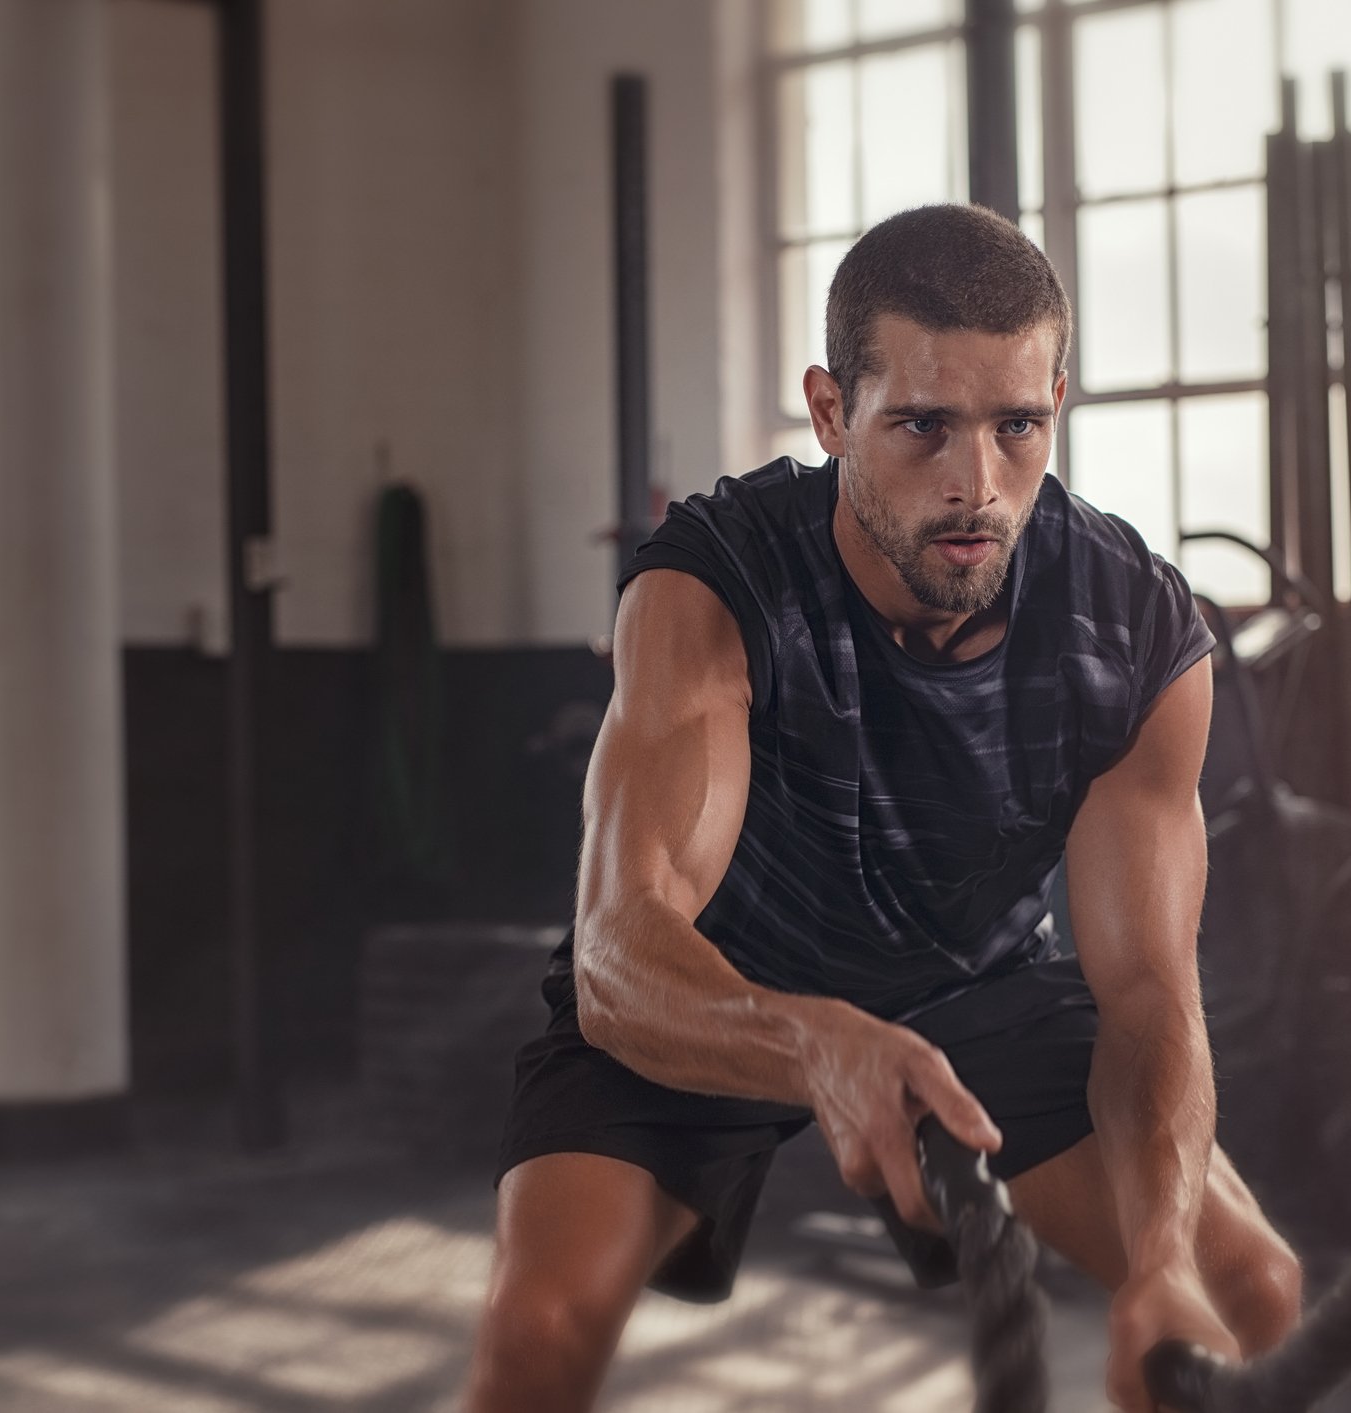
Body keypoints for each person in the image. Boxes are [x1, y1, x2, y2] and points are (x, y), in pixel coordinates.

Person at [466, 203, 1301, 1413]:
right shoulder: (717, 584)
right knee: (539, 1331)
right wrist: (816, 1042)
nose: (977, 486)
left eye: (1018, 426)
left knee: (1241, 1300)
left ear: (1055, 402)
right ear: (829, 412)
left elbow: (1148, 995)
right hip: (718, 980)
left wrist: (1161, 1265)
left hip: (969, 984)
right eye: (923, 426)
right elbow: (616, 951)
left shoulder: (1137, 631)